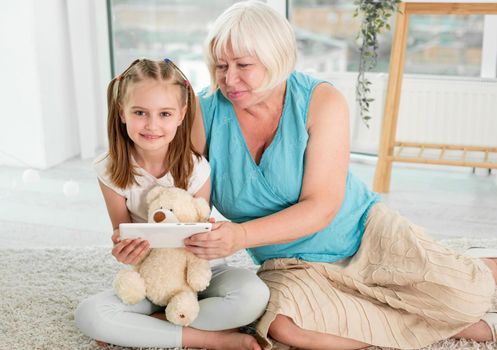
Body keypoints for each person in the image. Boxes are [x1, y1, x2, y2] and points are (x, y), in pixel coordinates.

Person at [185, 1, 497, 349]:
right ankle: (440, 326)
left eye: (243, 65)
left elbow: (322, 207)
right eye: (220, 65)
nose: (228, 79)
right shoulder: (203, 113)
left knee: (467, 295)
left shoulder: (321, 100)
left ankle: (480, 266)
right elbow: (184, 203)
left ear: (277, 59)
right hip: (290, 265)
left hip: (363, 234)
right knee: (285, 327)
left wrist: (240, 235)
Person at [75, 58, 269, 350]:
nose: (152, 125)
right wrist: (125, 252)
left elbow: (199, 231)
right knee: (89, 315)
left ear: (181, 115)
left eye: (164, 114)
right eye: (140, 112)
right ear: (122, 112)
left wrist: (208, 238)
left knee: (253, 296)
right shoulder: (109, 171)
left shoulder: (196, 168)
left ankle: (148, 327)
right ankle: (206, 338)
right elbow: (122, 235)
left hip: (202, 273)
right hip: (150, 277)